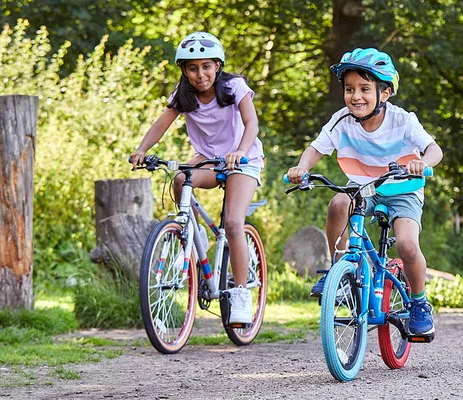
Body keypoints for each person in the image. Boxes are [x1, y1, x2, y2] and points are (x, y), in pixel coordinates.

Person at [286, 48, 444, 337]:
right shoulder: (340, 120)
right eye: (349, 89)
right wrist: (301, 168)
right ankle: (339, 269)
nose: (355, 96)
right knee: (337, 204)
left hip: (402, 189)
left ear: (384, 93)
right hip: (363, 188)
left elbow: (435, 149)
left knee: (407, 245)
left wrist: (423, 163)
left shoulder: (402, 120)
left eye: (364, 89)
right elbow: (316, 149)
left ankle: (419, 303)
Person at [129, 32, 264, 325]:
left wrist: (240, 150)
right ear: (184, 71)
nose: (200, 74)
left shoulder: (233, 86)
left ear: (217, 65)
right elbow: (160, 124)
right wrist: (142, 149)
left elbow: (251, 122)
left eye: (206, 66)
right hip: (207, 157)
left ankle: (241, 294)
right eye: (192, 68)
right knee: (179, 179)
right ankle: (194, 232)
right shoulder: (183, 95)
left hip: (243, 159)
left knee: (232, 222)